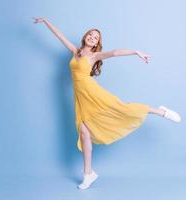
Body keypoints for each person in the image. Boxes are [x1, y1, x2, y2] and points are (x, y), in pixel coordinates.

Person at [32, 17, 181, 190]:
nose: (92, 38)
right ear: (85, 37)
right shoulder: (76, 52)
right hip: (81, 98)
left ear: (96, 44)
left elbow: (115, 52)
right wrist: (45, 21)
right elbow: (59, 35)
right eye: (90, 35)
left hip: (93, 93)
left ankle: (159, 111)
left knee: (122, 108)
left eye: (95, 38)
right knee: (84, 133)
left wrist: (135, 51)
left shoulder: (94, 56)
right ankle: (88, 174)